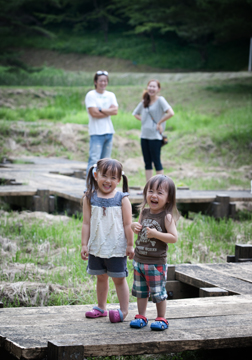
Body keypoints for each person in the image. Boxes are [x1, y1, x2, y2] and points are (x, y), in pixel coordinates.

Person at [81, 158, 134, 323]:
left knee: (119, 278)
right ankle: (101, 307)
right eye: (104, 175)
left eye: (113, 177)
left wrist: (131, 244)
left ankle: (124, 310)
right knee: (101, 277)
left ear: (119, 180)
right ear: (96, 175)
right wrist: (84, 244)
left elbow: (128, 224)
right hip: (97, 246)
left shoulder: (122, 199)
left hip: (116, 247)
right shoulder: (89, 198)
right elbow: (86, 223)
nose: (108, 181)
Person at [130, 174, 179, 331]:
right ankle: (141, 315)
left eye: (160, 192)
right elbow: (140, 230)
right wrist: (134, 227)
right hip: (139, 260)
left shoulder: (167, 217)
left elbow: (173, 238)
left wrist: (157, 234)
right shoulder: (144, 212)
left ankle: (161, 318)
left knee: (158, 292)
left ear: (169, 199)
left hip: (156, 263)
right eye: (151, 191)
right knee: (141, 291)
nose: (154, 196)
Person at [132, 80, 174, 182]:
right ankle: (148, 187)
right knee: (147, 162)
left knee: (156, 161)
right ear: (147, 88)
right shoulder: (144, 101)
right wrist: (145, 121)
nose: (151, 88)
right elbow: (135, 113)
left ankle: (160, 186)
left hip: (155, 136)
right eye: (150, 86)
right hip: (144, 136)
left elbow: (170, 113)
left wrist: (159, 123)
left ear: (158, 89)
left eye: (154, 87)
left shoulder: (160, 100)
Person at [85, 70, 118, 179]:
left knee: (106, 163)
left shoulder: (111, 95)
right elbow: (94, 113)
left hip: (109, 132)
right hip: (96, 133)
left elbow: (115, 111)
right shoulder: (91, 95)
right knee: (94, 161)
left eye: (105, 81)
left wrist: (100, 109)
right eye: (100, 81)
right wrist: (108, 111)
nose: (103, 83)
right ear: (95, 82)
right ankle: (90, 187)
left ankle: (102, 187)